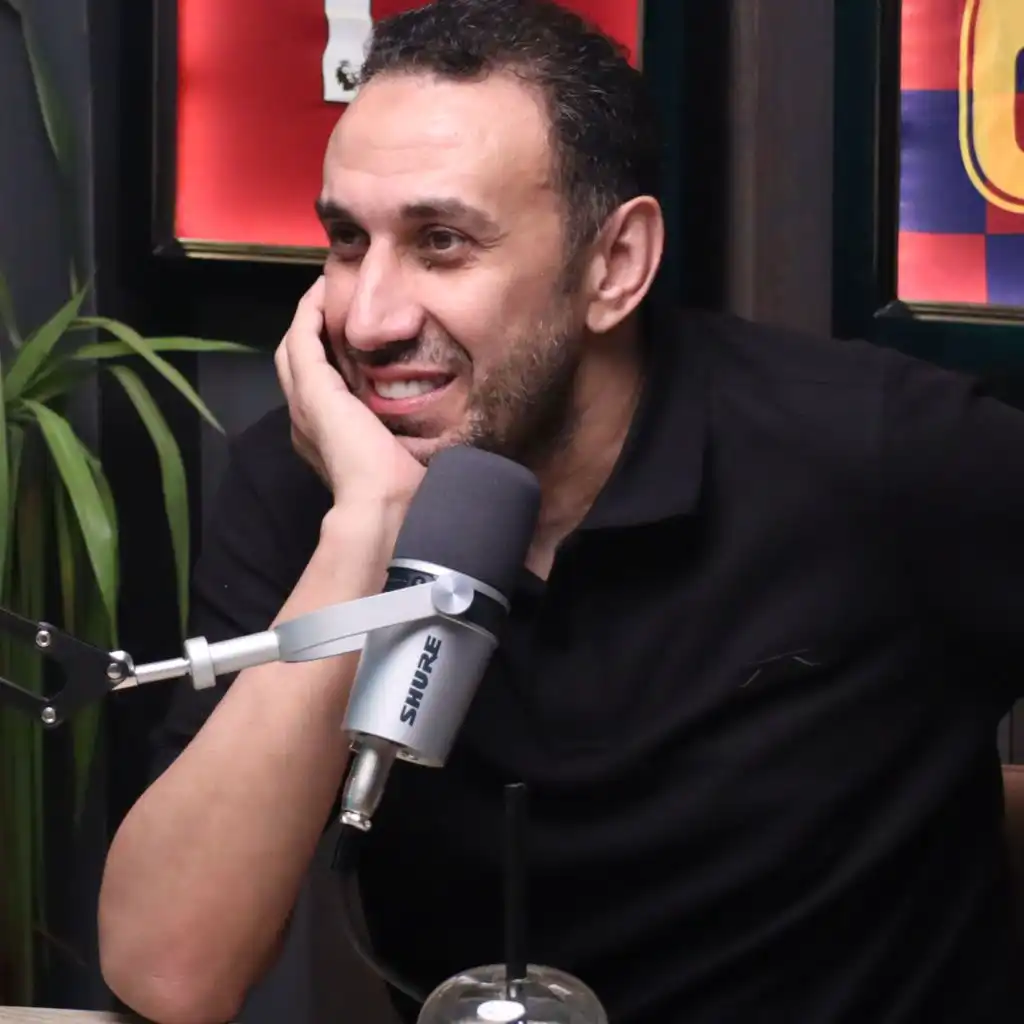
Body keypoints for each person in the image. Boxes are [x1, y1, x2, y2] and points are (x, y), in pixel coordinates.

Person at [97, 0, 1024, 1021]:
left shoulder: (876, 453)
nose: (367, 318)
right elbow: (171, 970)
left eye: (442, 242)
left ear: (614, 265)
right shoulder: (314, 478)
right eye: (348, 240)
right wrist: (366, 527)